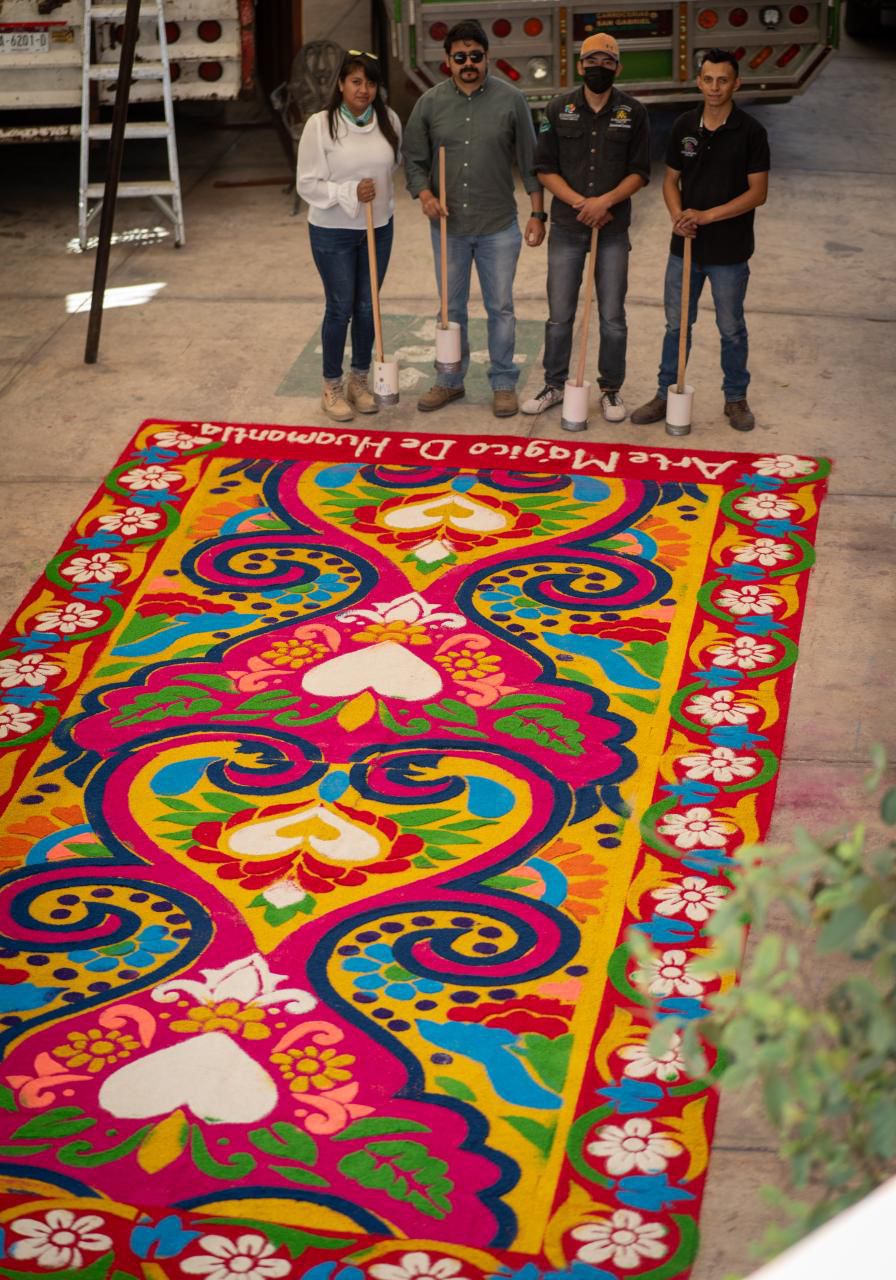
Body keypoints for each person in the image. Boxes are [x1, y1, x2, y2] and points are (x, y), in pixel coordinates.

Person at [403, 19, 546, 418]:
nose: (468, 63)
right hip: (448, 228)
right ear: (447, 61)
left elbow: (531, 161)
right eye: (460, 57)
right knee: (450, 310)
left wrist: (538, 213)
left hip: (498, 224)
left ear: (487, 58)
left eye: (475, 56)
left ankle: (503, 383)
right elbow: (413, 159)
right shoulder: (429, 103)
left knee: (501, 307)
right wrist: (425, 195)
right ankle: (449, 380)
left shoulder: (511, 99)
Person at [631, 48, 769, 433]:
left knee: (731, 328)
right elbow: (670, 180)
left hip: (730, 252)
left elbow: (758, 193)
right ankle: (665, 394)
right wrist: (678, 216)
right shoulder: (684, 125)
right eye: (708, 79)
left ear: (736, 83)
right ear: (699, 81)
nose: (714, 87)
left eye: (722, 80)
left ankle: (735, 397)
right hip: (685, 250)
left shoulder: (751, 132)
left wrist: (707, 216)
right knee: (677, 327)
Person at [522, 32, 650, 427]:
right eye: (592, 61)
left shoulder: (633, 112)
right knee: (559, 314)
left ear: (617, 68)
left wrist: (605, 202)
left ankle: (610, 388)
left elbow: (640, 172)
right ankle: (554, 385)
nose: (599, 68)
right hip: (567, 226)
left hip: (612, 229)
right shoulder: (557, 109)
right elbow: (545, 169)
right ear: (580, 66)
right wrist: (584, 204)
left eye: (607, 62)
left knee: (612, 315)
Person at [297, 51, 402, 422]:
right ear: (341, 84)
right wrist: (349, 192)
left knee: (367, 306)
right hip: (333, 232)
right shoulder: (320, 125)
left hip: (378, 227)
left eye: (370, 82)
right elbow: (307, 183)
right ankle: (332, 386)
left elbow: (394, 164)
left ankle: (359, 380)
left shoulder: (389, 120)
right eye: (356, 81)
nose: (363, 89)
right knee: (340, 308)